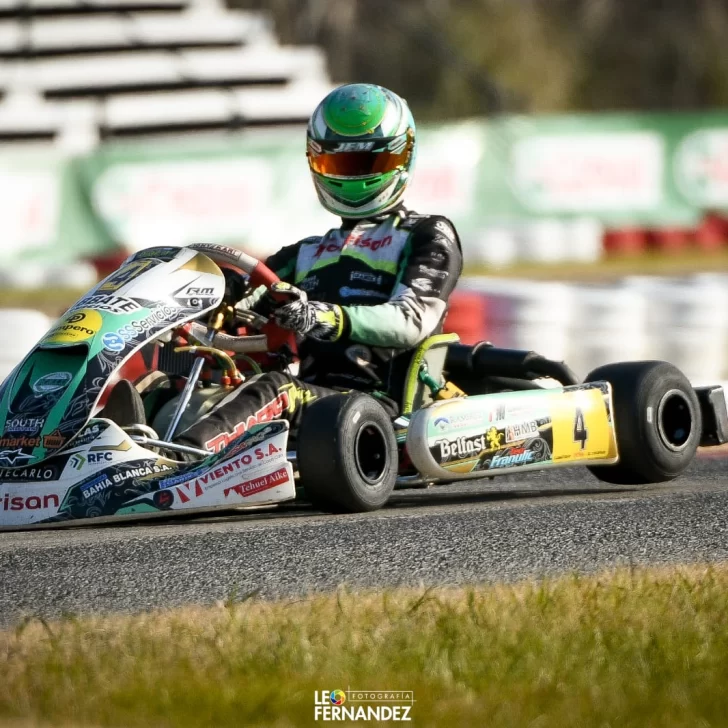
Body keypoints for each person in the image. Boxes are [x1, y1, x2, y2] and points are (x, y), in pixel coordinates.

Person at [172, 82, 464, 455]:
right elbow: (245, 301)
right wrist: (214, 297)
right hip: (313, 401)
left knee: (276, 389)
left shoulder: (426, 233)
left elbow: (411, 320)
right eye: (340, 163)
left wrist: (321, 316)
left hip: (379, 405)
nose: (355, 176)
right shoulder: (307, 252)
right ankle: (118, 446)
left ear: (402, 156)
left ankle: (177, 462)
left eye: (371, 163)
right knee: (178, 383)